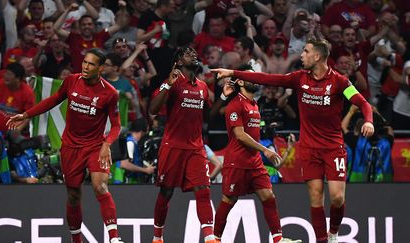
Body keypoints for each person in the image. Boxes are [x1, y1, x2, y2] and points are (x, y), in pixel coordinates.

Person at [211, 38, 375, 243]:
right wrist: (233, 73)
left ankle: (333, 234)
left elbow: (363, 103)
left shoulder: (340, 82)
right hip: (308, 148)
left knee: (337, 197)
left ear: (317, 56)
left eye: (305, 52)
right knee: (316, 197)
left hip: (333, 147)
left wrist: (368, 121)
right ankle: (323, 241)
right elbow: (268, 79)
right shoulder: (299, 78)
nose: (301, 55)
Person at [6, 48, 124, 243]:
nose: (86, 67)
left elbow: (116, 125)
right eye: (84, 62)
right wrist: (26, 114)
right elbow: (53, 100)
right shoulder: (72, 81)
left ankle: (114, 238)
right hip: (71, 147)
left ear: (101, 68)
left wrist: (106, 144)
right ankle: (76, 239)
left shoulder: (110, 93)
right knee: (73, 195)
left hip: (95, 146)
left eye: (91, 64)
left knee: (100, 186)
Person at [213, 65, 301, 243]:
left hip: (254, 162)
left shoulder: (253, 103)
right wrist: (265, 149)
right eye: (249, 77)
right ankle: (215, 238)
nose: (254, 79)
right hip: (237, 162)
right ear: (240, 81)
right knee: (229, 200)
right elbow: (239, 135)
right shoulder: (235, 104)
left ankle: (278, 239)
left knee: (268, 196)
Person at [149, 46, 228, 243]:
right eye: (187, 53)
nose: (194, 54)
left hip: (195, 147)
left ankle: (210, 238)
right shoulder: (173, 83)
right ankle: (157, 237)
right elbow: (153, 109)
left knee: (203, 189)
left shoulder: (202, 86)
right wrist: (168, 84)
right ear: (179, 62)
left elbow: (208, 115)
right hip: (173, 145)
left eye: (194, 52)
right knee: (166, 191)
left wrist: (224, 96)